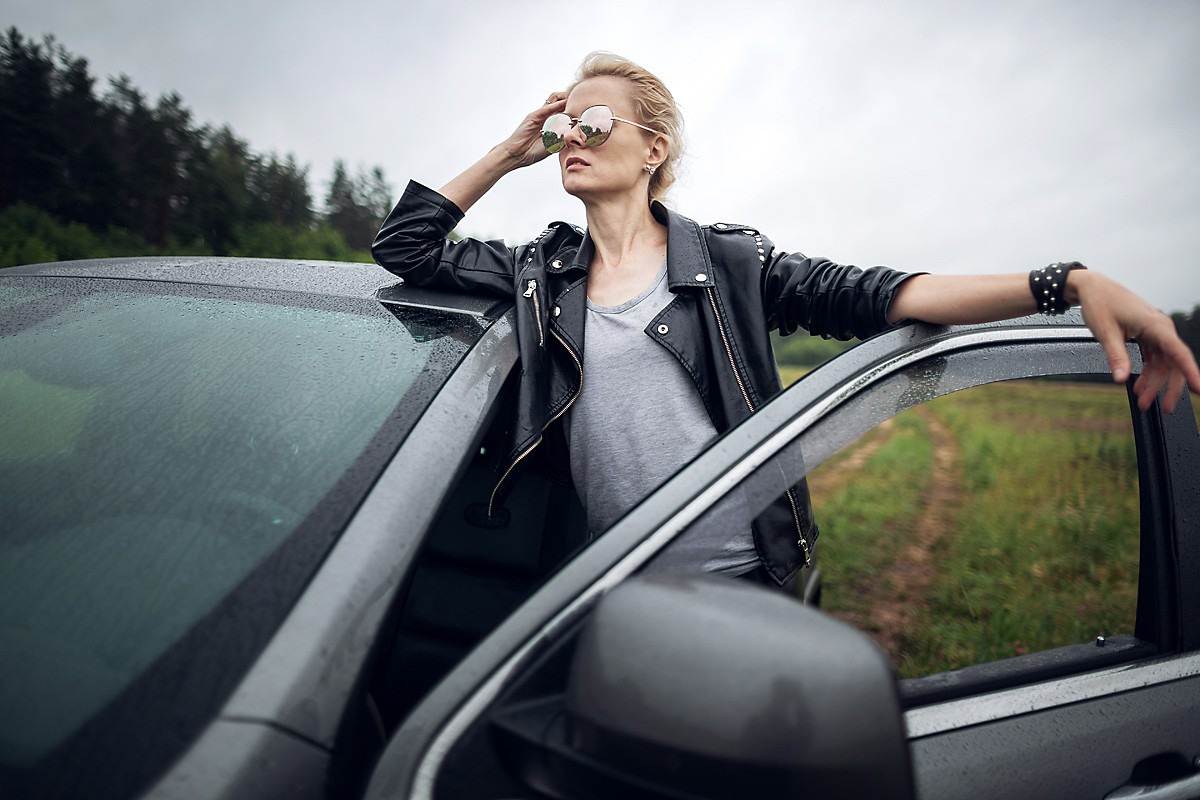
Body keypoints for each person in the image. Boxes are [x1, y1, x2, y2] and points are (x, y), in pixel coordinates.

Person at [373, 52, 1200, 590]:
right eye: (563, 127)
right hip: (600, 586)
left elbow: (885, 293)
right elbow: (404, 246)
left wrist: (1063, 281)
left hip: (747, 583)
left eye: (591, 123)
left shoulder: (728, 263)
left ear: (653, 149)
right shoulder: (539, 276)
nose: (569, 140)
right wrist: (510, 148)